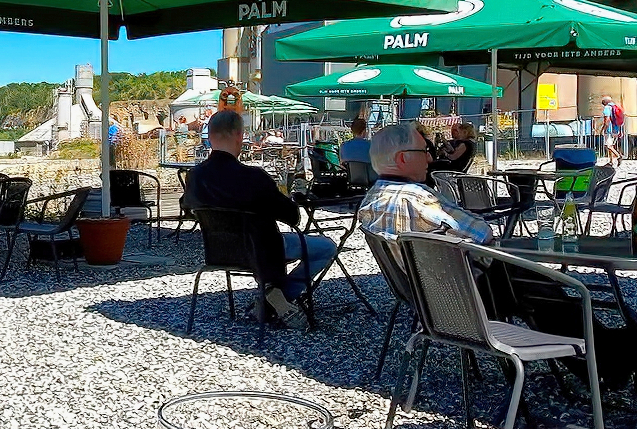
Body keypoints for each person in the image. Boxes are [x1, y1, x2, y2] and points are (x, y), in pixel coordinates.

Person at [181, 108, 336, 322]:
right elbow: (292, 217)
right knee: (326, 247)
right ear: (239, 135)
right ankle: (278, 296)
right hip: (263, 251)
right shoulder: (253, 177)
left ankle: (273, 295)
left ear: (209, 136)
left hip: (218, 251)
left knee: (266, 237)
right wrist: (288, 197)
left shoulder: (195, 176)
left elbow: (188, 208)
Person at [357, 123, 493, 245]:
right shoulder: (419, 198)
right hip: (443, 265)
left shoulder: (371, 197)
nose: (429, 158)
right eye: (424, 151)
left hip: (400, 265)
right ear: (403, 158)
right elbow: (483, 233)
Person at [599, 93, 625, 163]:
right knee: (611, 145)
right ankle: (611, 161)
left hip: (609, 130)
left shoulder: (607, 108)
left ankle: (618, 156)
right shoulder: (615, 106)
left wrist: (603, 129)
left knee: (608, 146)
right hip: (616, 129)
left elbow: (607, 121)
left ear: (604, 102)